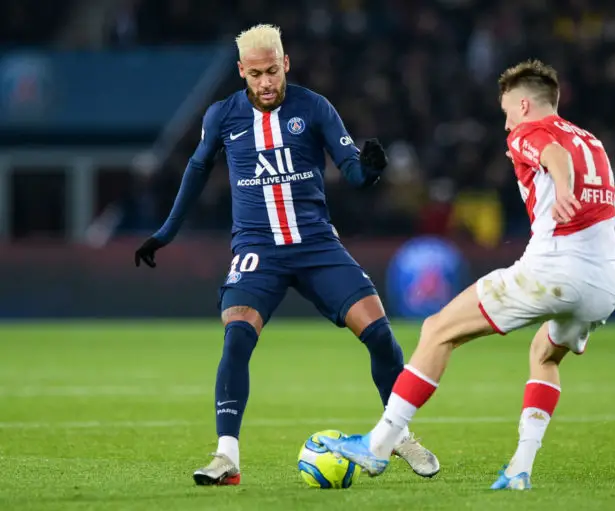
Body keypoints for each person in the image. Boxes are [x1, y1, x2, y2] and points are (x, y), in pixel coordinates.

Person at [134, 24, 439, 486]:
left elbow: (352, 172)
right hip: (258, 249)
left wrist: (371, 170)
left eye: (273, 71)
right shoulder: (222, 116)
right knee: (237, 337)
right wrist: (165, 233)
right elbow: (196, 170)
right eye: (256, 74)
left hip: (316, 244)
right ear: (242, 71)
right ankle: (226, 457)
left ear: (286, 64)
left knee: (379, 334)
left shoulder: (314, 107)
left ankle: (397, 435)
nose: (266, 83)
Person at [319, 59, 615, 490]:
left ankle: (378, 444)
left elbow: (553, 155)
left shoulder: (529, 132)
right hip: (605, 284)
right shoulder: (592, 141)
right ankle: (519, 468)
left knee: (438, 330)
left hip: (554, 269)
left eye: (507, 112)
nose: (507, 125)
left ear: (523, 105)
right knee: (545, 355)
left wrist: (562, 188)